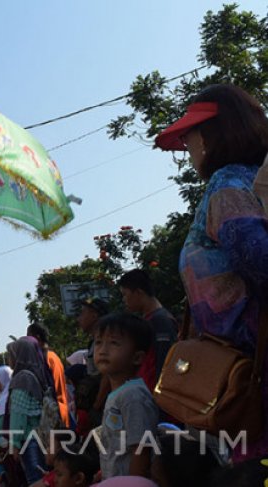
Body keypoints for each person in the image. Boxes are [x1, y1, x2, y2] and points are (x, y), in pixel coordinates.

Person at [155, 83, 268, 461]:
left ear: (211, 135)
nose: (187, 150)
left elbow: (260, 258)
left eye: (189, 138)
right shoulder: (254, 179)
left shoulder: (227, 185)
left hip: (251, 377)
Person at [94, 312, 158, 479]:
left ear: (137, 357)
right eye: (98, 342)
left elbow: (141, 449)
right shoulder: (120, 393)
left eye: (114, 343)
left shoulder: (133, 395)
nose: (102, 350)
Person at [117, 269, 178, 391]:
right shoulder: (149, 319)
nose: (123, 300)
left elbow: (164, 362)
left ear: (138, 293)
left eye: (125, 294)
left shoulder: (160, 321)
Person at [4, 337, 52, 486]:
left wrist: (14, 443)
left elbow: (19, 415)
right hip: (40, 437)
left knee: (35, 480)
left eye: (10, 355)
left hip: (28, 439)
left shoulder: (21, 378)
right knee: (44, 479)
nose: (8, 359)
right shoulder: (37, 374)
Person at [75, 297, 109, 430]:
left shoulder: (104, 342)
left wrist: (96, 406)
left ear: (94, 315)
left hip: (104, 409)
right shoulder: (94, 343)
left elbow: (107, 375)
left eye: (83, 313)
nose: (79, 319)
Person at [27, 323, 70, 428]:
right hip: (62, 410)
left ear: (37, 338)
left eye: (28, 336)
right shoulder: (53, 356)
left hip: (54, 414)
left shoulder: (44, 359)